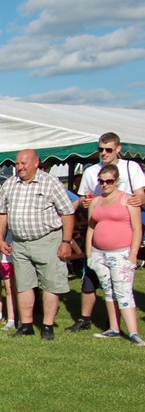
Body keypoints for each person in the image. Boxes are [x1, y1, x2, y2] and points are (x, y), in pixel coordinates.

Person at [0, 149, 75, 340]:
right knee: (24, 285)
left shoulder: (50, 182)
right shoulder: (10, 183)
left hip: (47, 240)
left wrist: (66, 241)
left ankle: (47, 327)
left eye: (24, 163)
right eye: (17, 164)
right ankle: (26, 325)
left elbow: (67, 213)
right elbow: (2, 212)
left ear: (36, 163)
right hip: (19, 243)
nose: (20, 167)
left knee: (50, 285)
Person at [68, 132, 145, 333]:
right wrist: (85, 202)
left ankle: (132, 331)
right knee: (91, 279)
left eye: (108, 149)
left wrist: (136, 201)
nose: (104, 153)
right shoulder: (91, 172)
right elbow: (85, 199)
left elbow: (140, 195)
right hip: (98, 231)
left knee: (122, 286)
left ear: (118, 149)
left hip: (124, 232)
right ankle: (88, 319)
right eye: (101, 149)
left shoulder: (131, 167)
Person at [84, 164, 143, 343]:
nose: (105, 184)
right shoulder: (96, 201)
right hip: (98, 254)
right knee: (109, 291)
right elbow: (91, 228)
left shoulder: (128, 200)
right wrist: (89, 254)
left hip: (121, 253)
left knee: (123, 291)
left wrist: (133, 254)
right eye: (101, 181)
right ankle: (114, 327)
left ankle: (133, 333)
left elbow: (137, 229)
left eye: (109, 181)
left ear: (117, 181)